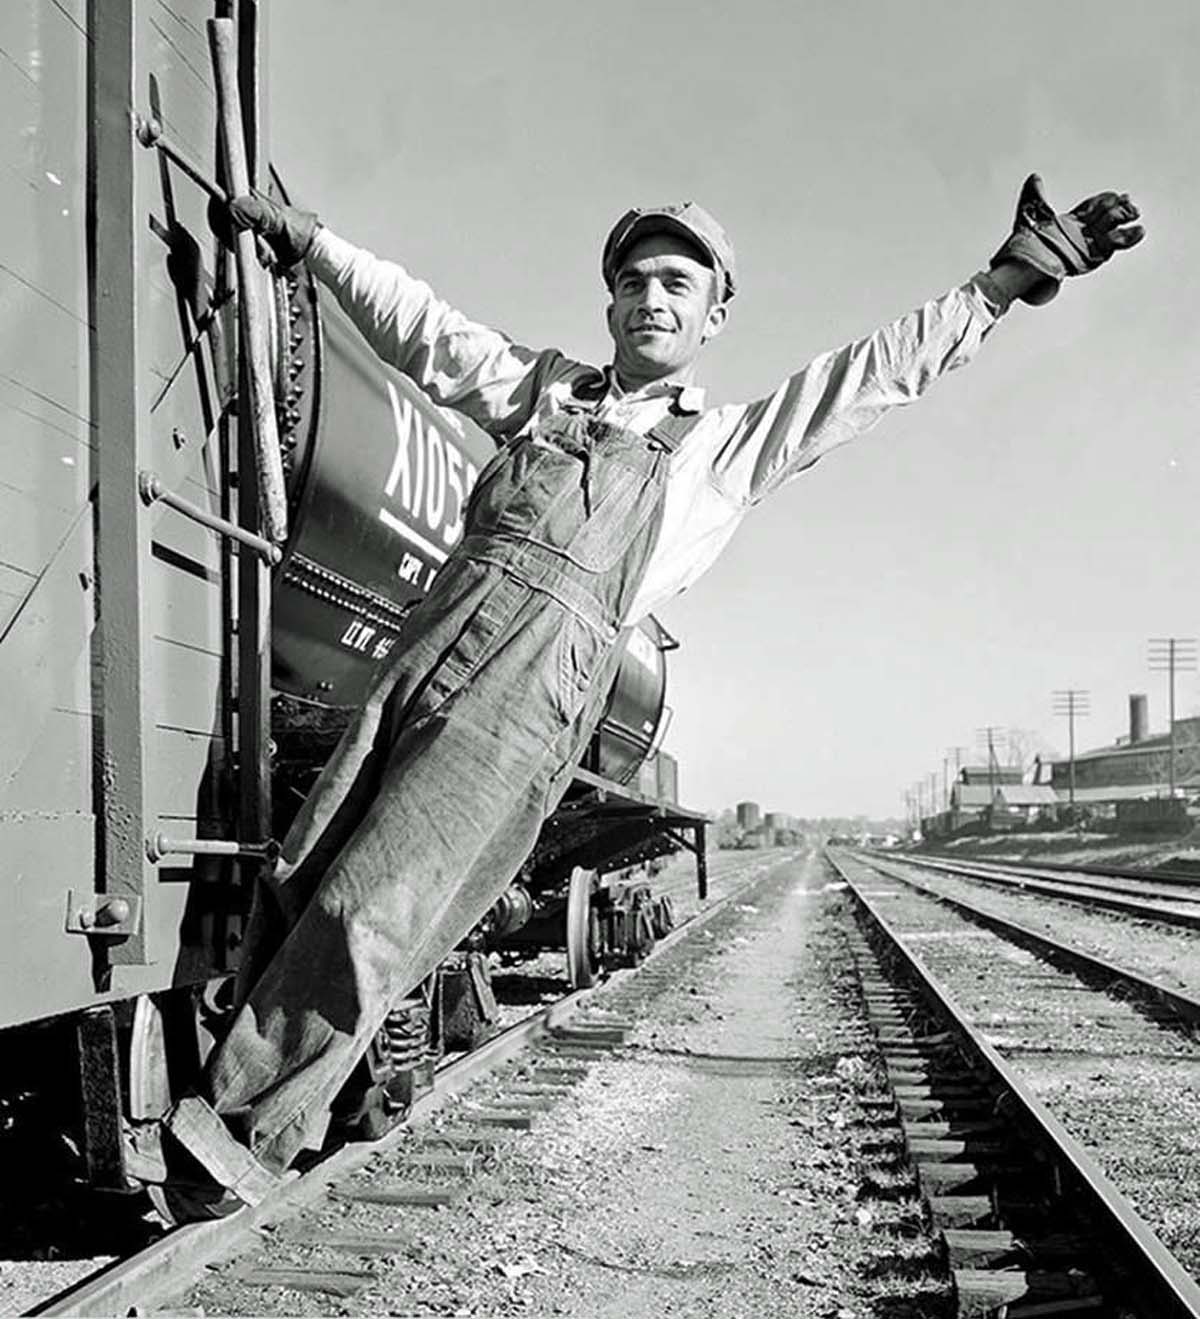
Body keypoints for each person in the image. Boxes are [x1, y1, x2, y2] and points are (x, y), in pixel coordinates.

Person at [152, 175, 1142, 1214]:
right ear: (609, 304)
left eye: (678, 282)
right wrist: (311, 243)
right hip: (433, 633)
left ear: (714, 315)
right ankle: (270, 1101)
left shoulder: (720, 451)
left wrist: (998, 284)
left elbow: (869, 376)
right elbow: (425, 328)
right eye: (632, 281)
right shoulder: (547, 394)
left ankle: (242, 1136)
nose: (650, 299)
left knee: (379, 905)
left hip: (532, 688)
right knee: (306, 862)